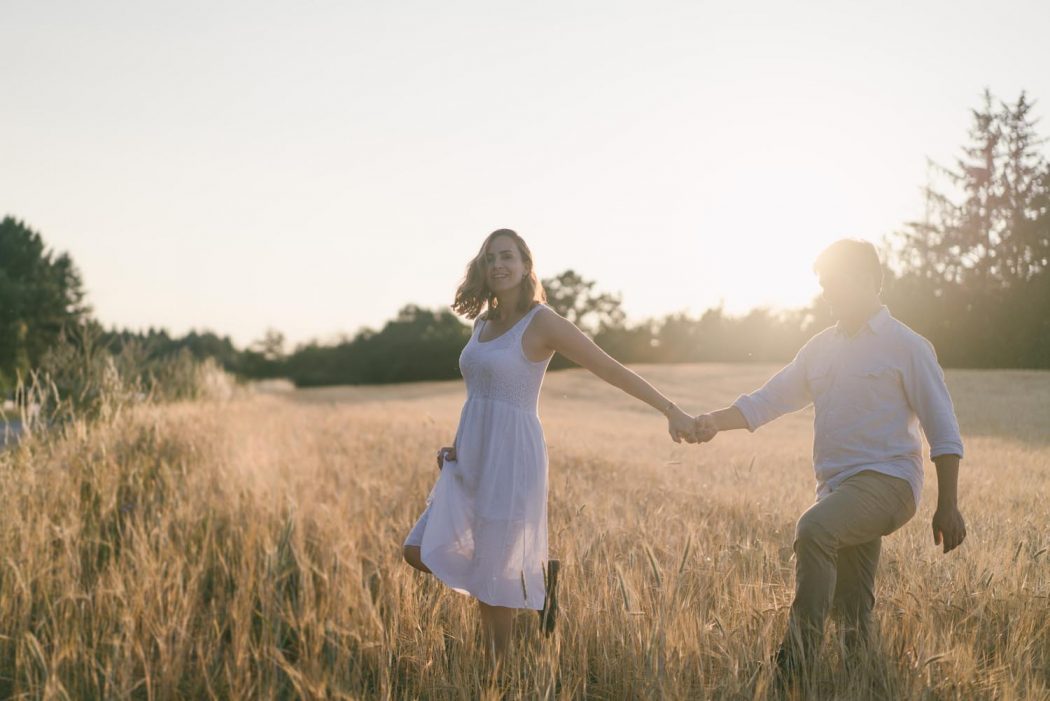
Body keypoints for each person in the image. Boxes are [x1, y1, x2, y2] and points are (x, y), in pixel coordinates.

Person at [402, 228, 699, 661]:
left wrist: (670, 408)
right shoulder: (483, 323)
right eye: (490, 258)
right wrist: (456, 445)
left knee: (490, 577)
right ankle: (533, 579)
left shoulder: (542, 322)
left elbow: (608, 367)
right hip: (470, 457)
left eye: (507, 256)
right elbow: (480, 395)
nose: (498, 265)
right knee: (417, 549)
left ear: (525, 266)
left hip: (513, 457)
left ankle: (496, 676)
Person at [693, 239, 966, 682]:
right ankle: (864, 681)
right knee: (854, 609)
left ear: (864, 281)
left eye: (831, 283)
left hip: (890, 482)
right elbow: (769, 399)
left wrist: (948, 504)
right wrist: (710, 422)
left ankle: (795, 664)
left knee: (815, 529)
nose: (824, 294)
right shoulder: (821, 347)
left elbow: (943, 429)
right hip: (840, 490)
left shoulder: (907, 346)